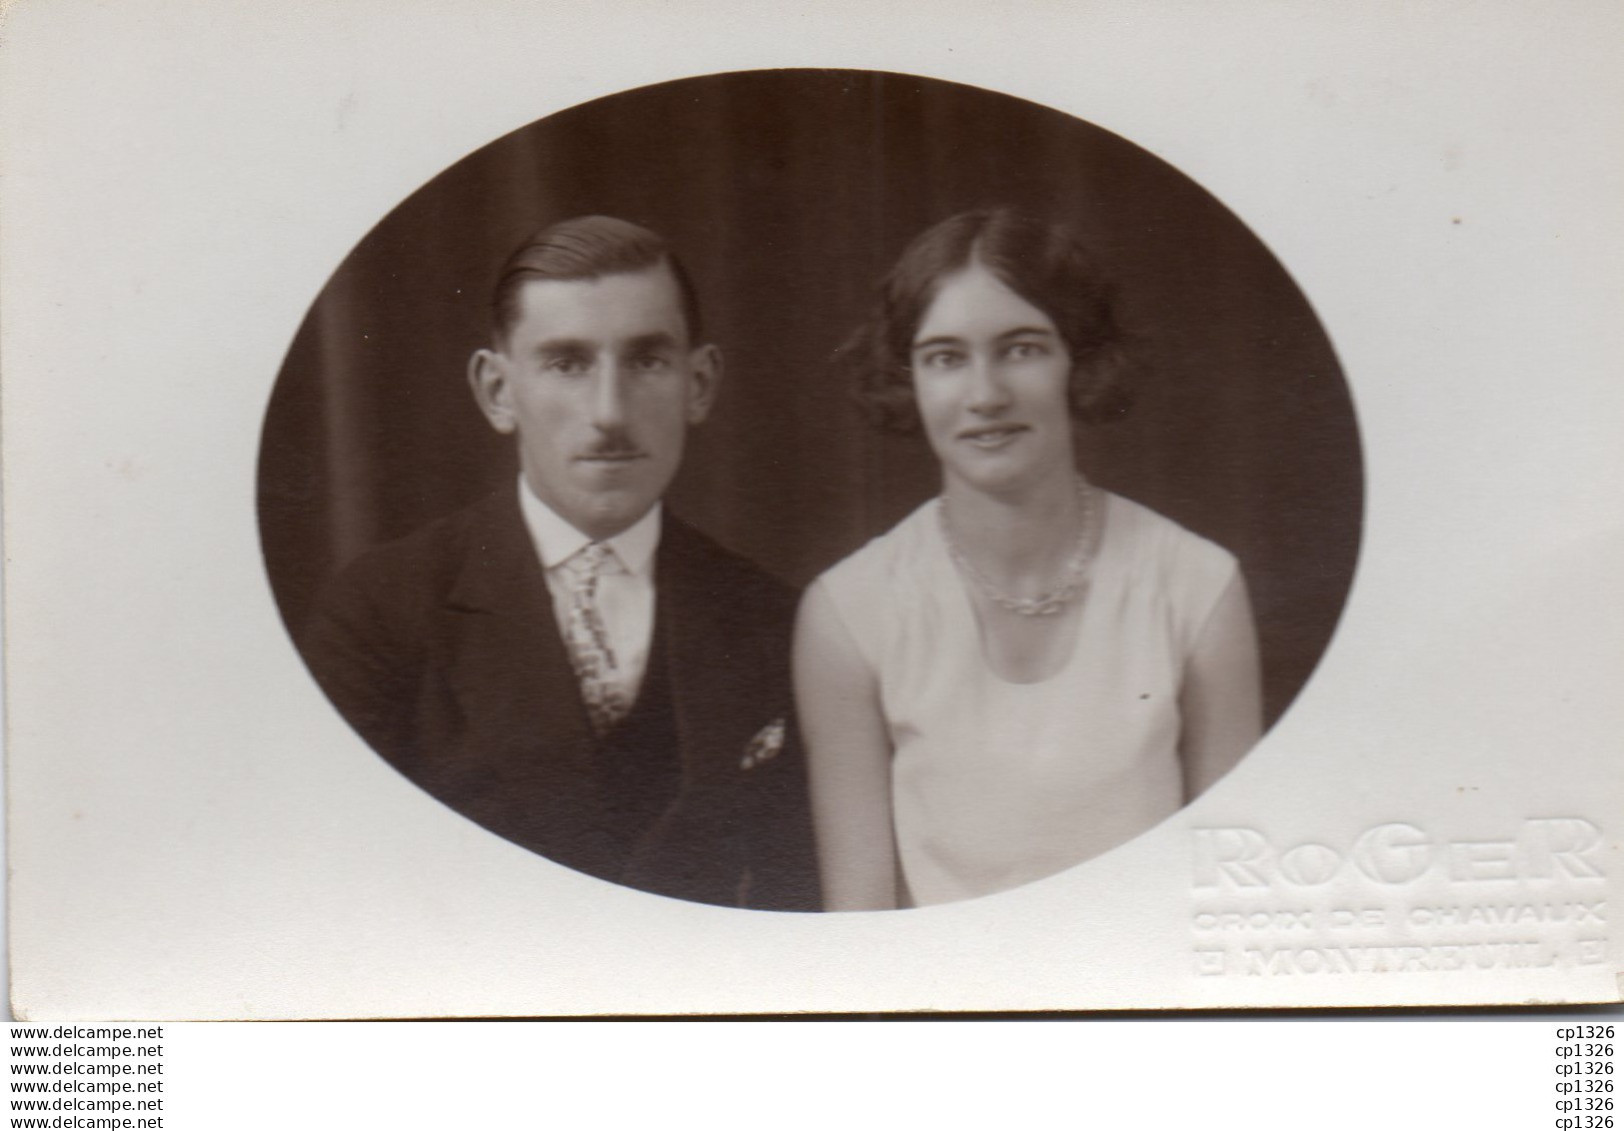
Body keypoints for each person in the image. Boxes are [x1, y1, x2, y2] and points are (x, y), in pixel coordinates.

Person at [300, 215, 817, 911]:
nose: (609, 412)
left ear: (699, 383)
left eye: (646, 360)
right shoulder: (381, 613)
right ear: (497, 390)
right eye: (567, 363)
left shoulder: (771, 619)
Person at [794, 208, 1262, 910]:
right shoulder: (849, 613)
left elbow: (1233, 899)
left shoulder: (1198, 588)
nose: (985, 395)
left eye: (1022, 348)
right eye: (945, 358)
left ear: (1081, 361)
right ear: (909, 379)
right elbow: (860, 923)